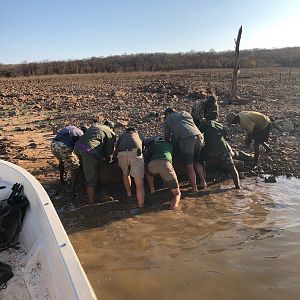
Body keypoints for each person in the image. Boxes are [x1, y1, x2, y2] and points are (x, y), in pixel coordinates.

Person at [164, 108, 207, 192]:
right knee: (197, 162)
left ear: (167, 114)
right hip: (199, 136)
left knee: (189, 165)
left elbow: (167, 137)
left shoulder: (168, 119)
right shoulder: (185, 113)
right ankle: (203, 182)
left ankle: (194, 189)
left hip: (187, 139)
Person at [74, 118, 116, 204]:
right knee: (91, 179)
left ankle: (77, 188)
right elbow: (108, 153)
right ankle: (91, 203)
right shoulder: (111, 133)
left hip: (77, 147)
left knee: (84, 167)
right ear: (112, 128)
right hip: (88, 150)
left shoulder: (94, 126)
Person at [197, 112, 241, 189]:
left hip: (209, 148)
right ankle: (238, 186)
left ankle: (203, 182)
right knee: (232, 168)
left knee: (199, 160)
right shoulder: (220, 124)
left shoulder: (205, 124)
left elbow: (197, 132)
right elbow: (225, 135)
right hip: (223, 148)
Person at [144, 136, 181, 209]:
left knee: (147, 169)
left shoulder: (153, 146)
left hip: (153, 165)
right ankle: (173, 209)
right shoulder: (169, 145)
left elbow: (146, 156)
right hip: (166, 164)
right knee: (177, 193)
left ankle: (152, 189)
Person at [115, 127, 145, 208]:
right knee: (139, 183)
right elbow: (144, 146)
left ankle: (129, 195)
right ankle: (141, 205)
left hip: (122, 154)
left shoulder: (122, 135)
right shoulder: (139, 134)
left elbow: (117, 148)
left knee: (125, 174)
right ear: (135, 131)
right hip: (135, 153)